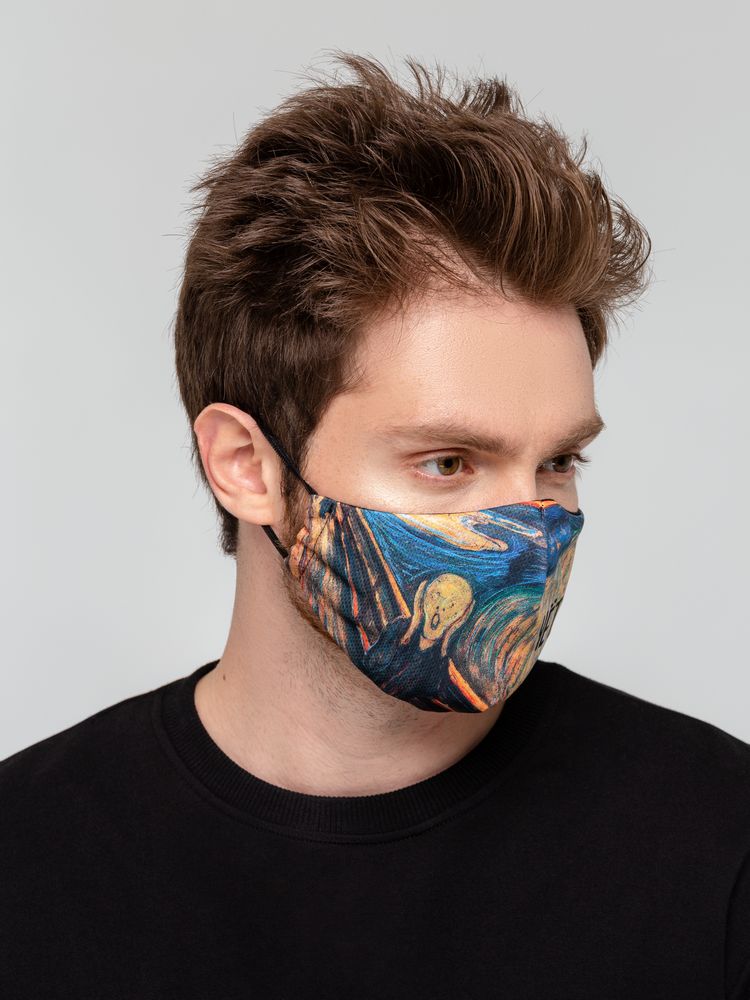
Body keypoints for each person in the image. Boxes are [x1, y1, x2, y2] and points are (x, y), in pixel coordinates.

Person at [2, 51, 748, 1000]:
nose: (530, 533)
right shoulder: (27, 863)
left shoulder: (718, 842)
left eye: (558, 461)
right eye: (448, 463)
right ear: (246, 466)